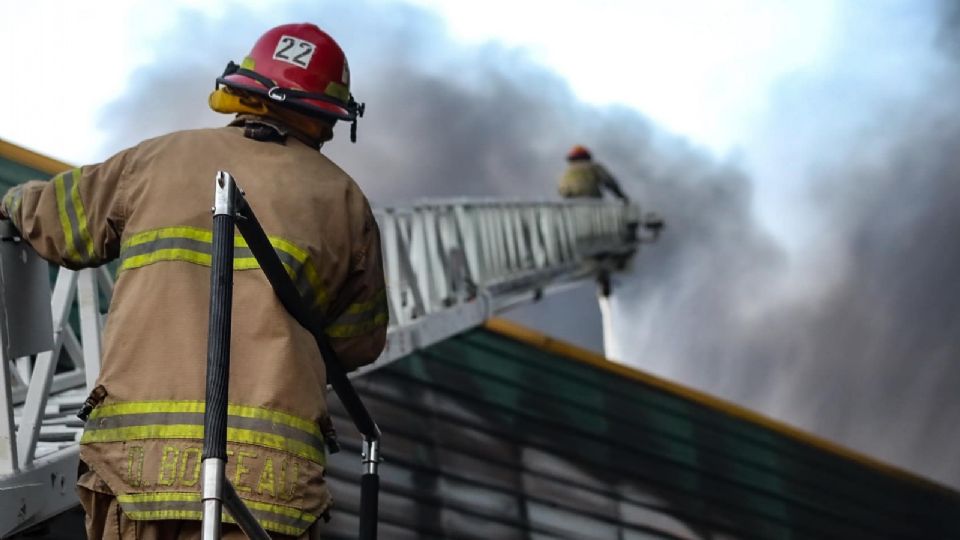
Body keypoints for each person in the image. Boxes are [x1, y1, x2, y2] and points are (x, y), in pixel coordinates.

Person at [0, 23, 387, 539]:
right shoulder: (346, 204)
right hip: (269, 485)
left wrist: (13, 202)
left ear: (243, 87)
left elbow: (54, 222)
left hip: (137, 467)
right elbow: (358, 343)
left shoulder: (154, 159)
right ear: (330, 115)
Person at [557, 145, 629, 202]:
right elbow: (609, 182)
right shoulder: (595, 167)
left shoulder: (567, 171)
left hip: (572, 202)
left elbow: (562, 190)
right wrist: (620, 196)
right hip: (593, 201)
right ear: (587, 156)